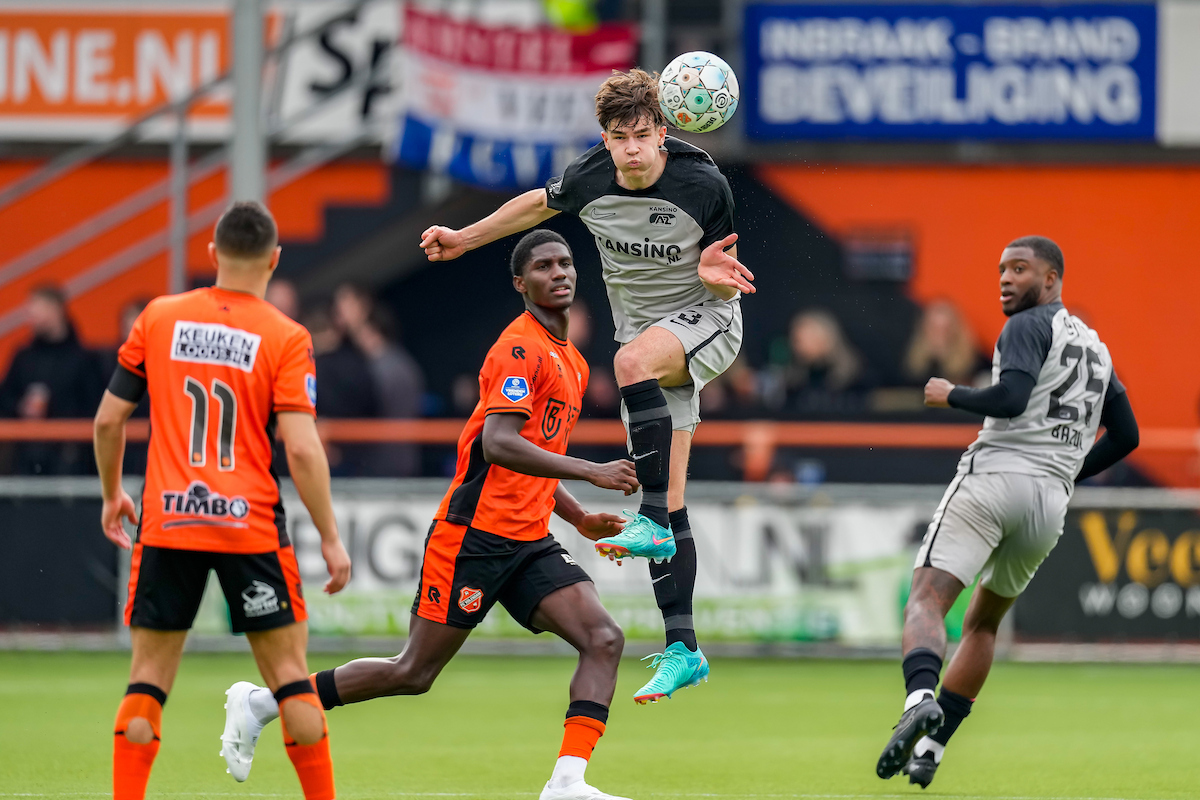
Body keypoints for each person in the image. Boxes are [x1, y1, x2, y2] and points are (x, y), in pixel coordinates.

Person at [219, 230, 640, 800]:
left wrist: (578, 518)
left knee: (604, 638)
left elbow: (530, 460)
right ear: (522, 284)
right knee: (412, 673)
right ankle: (263, 702)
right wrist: (590, 471)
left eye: (565, 262)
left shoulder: (573, 361)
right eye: (543, 266)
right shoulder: (518, 348)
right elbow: (498, 444)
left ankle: (567, 782)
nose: (560, 272)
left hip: (529, 537)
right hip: (474, 536)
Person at [419, 68, 755, 703]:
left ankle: (649, 519)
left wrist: (712, 277)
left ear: (664, 133)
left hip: (707, 322)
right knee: (673, 499)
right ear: (605, 139)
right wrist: (463, 238)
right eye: (618, 136)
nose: (631, 148)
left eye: (642, 135)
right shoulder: (590, 176)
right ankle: (683, 647)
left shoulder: (703, 184)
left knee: (628, 374)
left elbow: (717, 274)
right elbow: (534, 204)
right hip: (646, 342)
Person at [93, 202, 352, 800]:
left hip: (169, 519)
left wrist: (112, 495)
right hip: (250, 526)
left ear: (212, 255)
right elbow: (303, 450)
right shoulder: (285, 336)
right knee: (290, 682)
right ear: (274, 259)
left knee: (148, 684)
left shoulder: (159, 317)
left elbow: (110, 421)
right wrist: (331, 537)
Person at [875, 236, 1140, 788]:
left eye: (1020, 269)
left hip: (997, 477)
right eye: (1001, 269)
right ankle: (933, 747)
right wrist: (1067, 472)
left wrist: (953, 394)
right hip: (1049, 504)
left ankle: (919, 699)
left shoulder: (1027, 324)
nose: (1006, 279)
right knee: (985, 623)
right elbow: (1127, 436)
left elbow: (1012, 398)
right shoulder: (1097, 349)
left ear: (1052, 281)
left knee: (928, 596)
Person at [0, 285, 106, 474]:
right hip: (25, 459)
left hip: (70, 460)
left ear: (55, 309)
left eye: (36, 308)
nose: (30, 316)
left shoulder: (84, 359)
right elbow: (5, 397)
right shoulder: (23, 356)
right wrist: (20, 407)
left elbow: (96, 406)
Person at [903, 300, 990, 388]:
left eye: (945, 329)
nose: (939, 336)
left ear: (956, 331)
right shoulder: (912, 370)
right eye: (934, 329)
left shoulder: (977, 365)